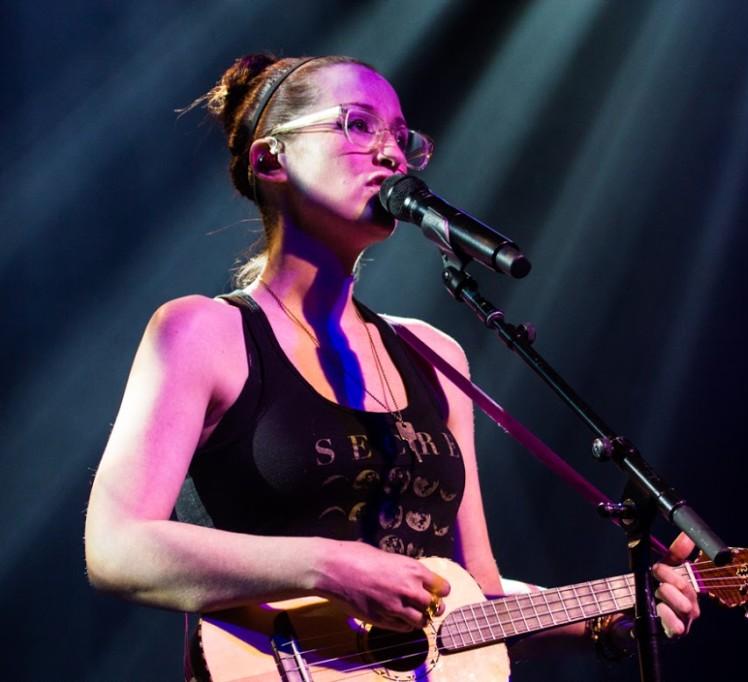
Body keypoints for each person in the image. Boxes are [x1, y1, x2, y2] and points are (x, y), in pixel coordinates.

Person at [84, 53, 699, 675]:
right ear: (271, 159)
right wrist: (328, 565)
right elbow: (117, 547)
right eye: (356, 124)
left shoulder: (433, 357)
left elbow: (472, 593)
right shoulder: (203, 332)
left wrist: (603, 613)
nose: (391, 155)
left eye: (401, 137)